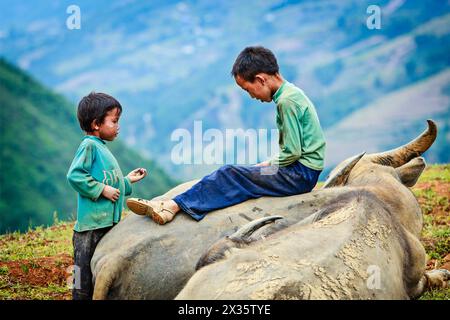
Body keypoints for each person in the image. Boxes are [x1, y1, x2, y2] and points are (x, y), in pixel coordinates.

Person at [127, 46, 326, 225]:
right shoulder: (291, 94)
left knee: (229, 173)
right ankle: (174, 202)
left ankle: (172, 206)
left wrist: (267, 165)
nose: (252, 96)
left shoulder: (286, 102)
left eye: (248, 90)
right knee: (240, 173)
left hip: (297, 175)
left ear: (260, 79)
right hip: (300, 171)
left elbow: (292, 151)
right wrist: (264, 166)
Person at [67, 92, 147, 299]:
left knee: (100, 273)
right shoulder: (89, 146)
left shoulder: (101, 147)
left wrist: (128, 181)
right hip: (90, 228)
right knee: (81, 275)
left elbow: (112, 183)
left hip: (107, 224)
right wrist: (101, 189)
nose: (118, 126)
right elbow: (75, 176)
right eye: (114, 121)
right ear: (96, 124)